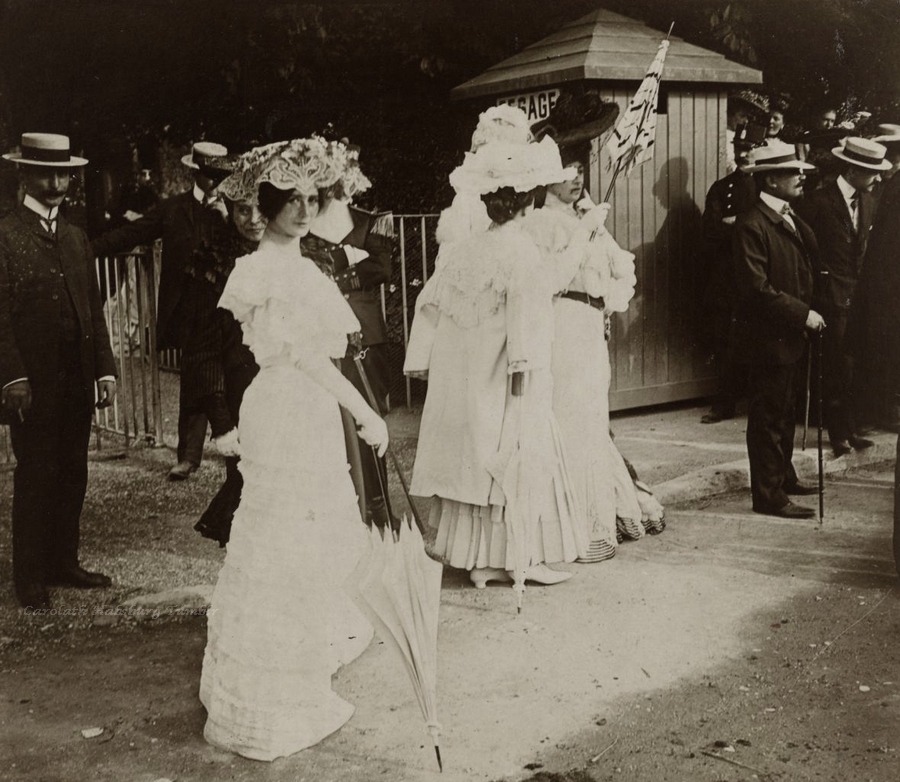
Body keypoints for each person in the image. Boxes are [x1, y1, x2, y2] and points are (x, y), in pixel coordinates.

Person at [199, 137, 388, 760]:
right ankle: (270, 696)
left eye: (313, 199)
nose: (305, 210)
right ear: (269, 204)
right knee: (284, 540)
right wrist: (363, 412)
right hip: (289, 403)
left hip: (291, 406)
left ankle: (297, 663)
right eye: (292, 201)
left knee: (296, 537)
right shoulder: (270, 269)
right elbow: (307, 357)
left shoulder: (294, 266)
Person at [404, 131, 588, 590]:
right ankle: (517, 558)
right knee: (517, 455)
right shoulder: (519, 250)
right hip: (508, 373)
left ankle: (478, 558)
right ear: (527, 201)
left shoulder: (467, 249)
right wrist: (523, 371)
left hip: (470, 373)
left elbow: (432, 307)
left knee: (477, 459)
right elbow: (527, 319)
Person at [526, 97, 665, 562]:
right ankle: (573, 525)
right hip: (561, 325)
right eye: (567, 170)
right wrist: (584, 232)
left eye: (580, 168)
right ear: (546, 176)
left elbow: (619, 276)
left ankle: (601, 514)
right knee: (571, 418)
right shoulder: (541, 223)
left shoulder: (584, 217)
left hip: (588, 325)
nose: (577, 177)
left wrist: (598, 245)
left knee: (591, 417)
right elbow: (551, 280)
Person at [0, 132, 117, 609]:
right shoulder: (6, 236)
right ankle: (29, 575)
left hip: (77, 379)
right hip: (33, 383)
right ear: (23, 174)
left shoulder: (74, 236)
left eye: (63, 173)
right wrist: (12, 377)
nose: (55, 183)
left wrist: (104, 370)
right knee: (36, 473)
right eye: (45, 173)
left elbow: (92, 306)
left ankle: (63, 562)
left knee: (73, 470)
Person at [92, 141, 231, 480]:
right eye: (210, 175)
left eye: (220, 175)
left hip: (230, 306)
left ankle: (230, 448)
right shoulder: (173, 209)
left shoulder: (236, 210)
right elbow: (133, 232)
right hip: (189, 310)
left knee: (228, 377)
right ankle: (190, 455)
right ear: (196, 173)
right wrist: (86, 249)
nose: (216, 182)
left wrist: (228, 218)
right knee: (195, 377)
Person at [300, 138, 397, 527]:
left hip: (366, 336)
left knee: (370, 423)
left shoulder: (372, 220)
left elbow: (383, 267)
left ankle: (379, 513)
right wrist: (344, 263)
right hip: (323, 337)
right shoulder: (304, 226)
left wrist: (336, 268)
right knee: (330, 426)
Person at [731, 141, 824, 519]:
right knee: (769, 417)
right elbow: (756, 288)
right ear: (771, 179)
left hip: (790, 336)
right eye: (793, 172)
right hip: (769, 338)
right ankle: (768, 495)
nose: (801, 178)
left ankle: (783, 476)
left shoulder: (788, 217)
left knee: (785, 411)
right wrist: (802, 314)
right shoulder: (752, 225)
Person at [186, 152, 265, 547]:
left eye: (260, 209)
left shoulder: (291, 256)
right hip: (240, 389)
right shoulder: (213, 261)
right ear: (229, 210)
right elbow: (203, 349)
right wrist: (221, 421)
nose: (253, 219)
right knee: (246, 482)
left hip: (286, 388)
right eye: (242, 210)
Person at [797, 137, 890, 456]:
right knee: (835, 367)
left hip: (859, 298)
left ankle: (851, 427)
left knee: (854, 364)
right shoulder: (816, 201)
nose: (878, 178)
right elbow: (803, 252)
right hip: (828, 298)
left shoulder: (870, 201)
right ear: (852, 170)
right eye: (872, 172)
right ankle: (837, 432)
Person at [699, 123, 765, 424]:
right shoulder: (721, 187)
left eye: (749, 148)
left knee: (762, 340)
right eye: (739, 148)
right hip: (728, 278)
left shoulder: (769, 185)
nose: (742, 153)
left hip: (761, 275)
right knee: (727, 340)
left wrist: (735, 222)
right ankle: (725, 404)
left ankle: (759, 403)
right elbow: (710, 231)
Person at [847, 125, 900, 432]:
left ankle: (880, 410)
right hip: (882, 281)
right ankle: (877, 410)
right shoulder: (887, 188)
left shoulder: (894, 188)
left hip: (888, 282)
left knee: (883, 346)